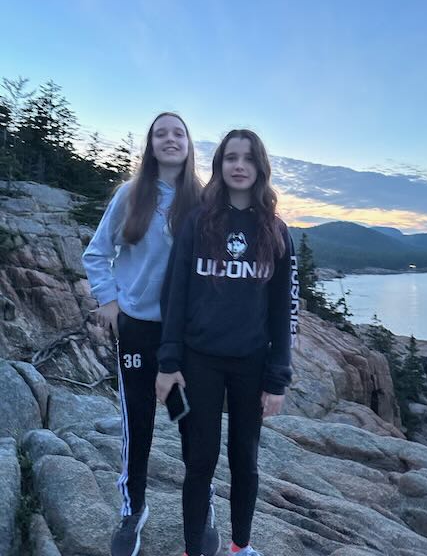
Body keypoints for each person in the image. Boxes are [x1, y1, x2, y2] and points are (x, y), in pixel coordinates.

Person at [82, 113, 220, 556]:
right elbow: (97, 253)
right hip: (139, 328)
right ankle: (133, 510)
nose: (170, 139)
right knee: (138, 422)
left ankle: (202, 507)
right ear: (151, 144)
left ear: (189, 144)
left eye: (178, 133)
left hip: (188, 335)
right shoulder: (130, 194)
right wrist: (109, 301)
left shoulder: (203, 200)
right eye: (161, 133)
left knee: (191, 424)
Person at [156, 129, 297, 556]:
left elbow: (283, 311)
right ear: (219, 165)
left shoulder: (276, 231)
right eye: (231, 157)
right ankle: (193, 548)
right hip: (199, 360)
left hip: (251, 363)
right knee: (199, 461)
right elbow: (175, 294)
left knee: (245, 462)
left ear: (260, 168)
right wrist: (168, 362)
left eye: (248, 158)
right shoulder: (198, 222)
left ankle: (240, 546)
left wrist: (277, 378)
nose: (239, 165)